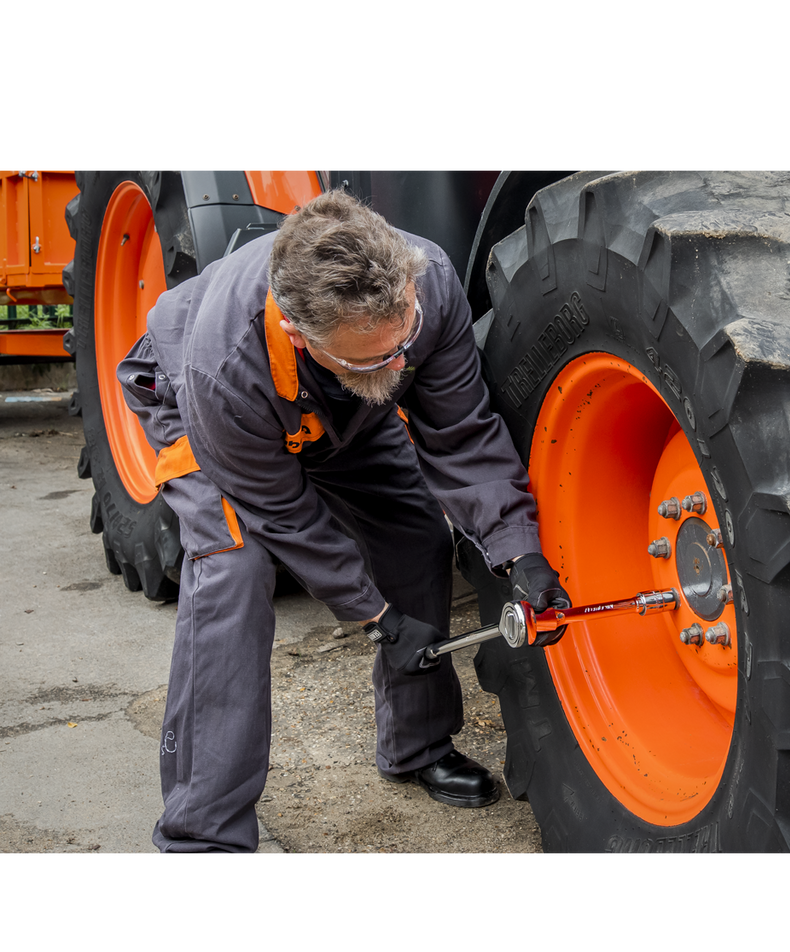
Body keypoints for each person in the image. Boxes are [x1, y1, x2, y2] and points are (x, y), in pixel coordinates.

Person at [118, 189, 569, 856]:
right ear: (301, 333)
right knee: (234, 576)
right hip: (198, 405)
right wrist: (376, 617)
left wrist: (518, 552)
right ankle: (202, 833)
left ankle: (417, 743)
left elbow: (462, 439)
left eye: (403, 344)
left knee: (415, 531)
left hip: (341, 405)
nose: (397, 368)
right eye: (372, 356)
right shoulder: (222, 367)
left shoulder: (427, 288)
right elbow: (284, 512)